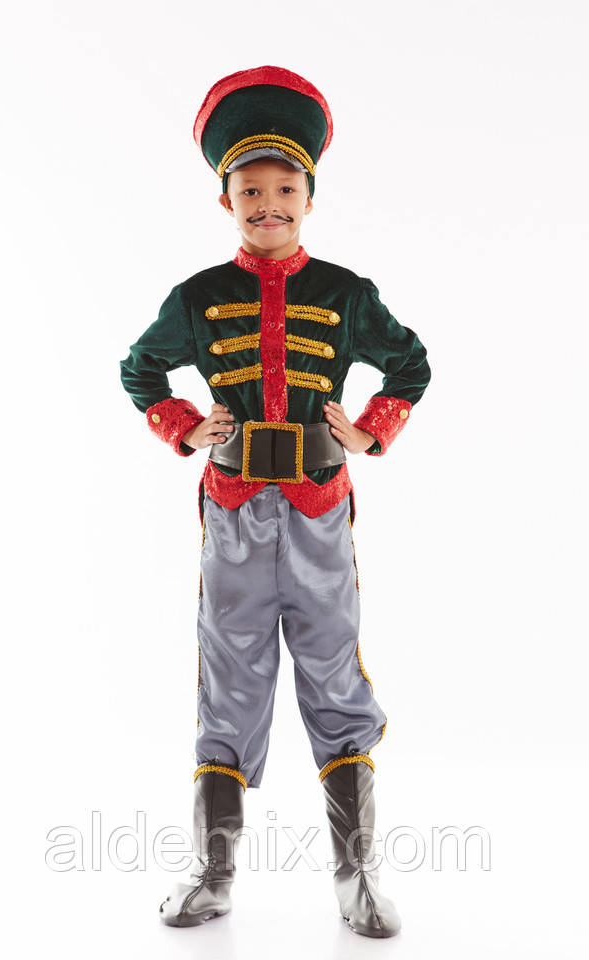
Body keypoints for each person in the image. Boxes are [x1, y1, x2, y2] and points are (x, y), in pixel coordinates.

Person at [119, 65, 431, 938]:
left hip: (319, 507)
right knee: (230, 678)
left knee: (335, 677)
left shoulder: (345, 293)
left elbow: (410, 365)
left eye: (285, 189)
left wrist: (370, 431)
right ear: (227, 200)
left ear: (308, 197)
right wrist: (186, 428)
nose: (268, 205)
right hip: (234, 510)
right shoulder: (198, 298)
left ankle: (357, 878)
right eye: (250, 191)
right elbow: (140, 370)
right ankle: (212, 874)